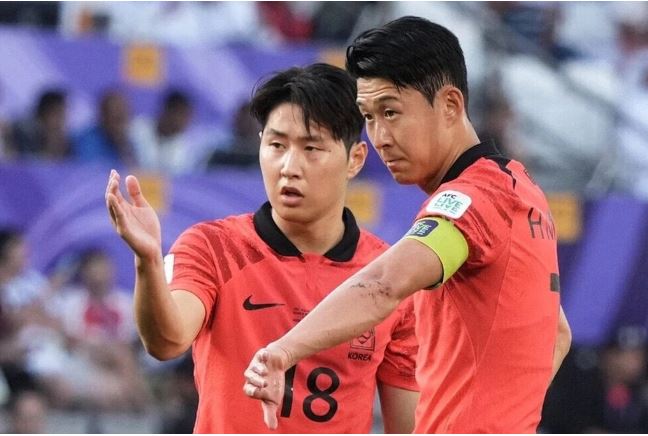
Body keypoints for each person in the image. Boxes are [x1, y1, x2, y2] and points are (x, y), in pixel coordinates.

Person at [243, 16, 572, 433]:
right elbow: (556, 334)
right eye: (369, 116)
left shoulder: (472, 200)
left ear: (450, 105)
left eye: (391, 112)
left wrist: (283, 351)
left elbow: (385, 283)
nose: (379, 135)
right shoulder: (523, 191)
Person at [105, 63, 419, 433]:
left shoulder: (390, 277)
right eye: (276, 145)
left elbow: (408, 424)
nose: (289, 166)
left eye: (312, 148)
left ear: (355, 159)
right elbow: (166, 341)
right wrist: (148, 261)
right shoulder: (213, 247)